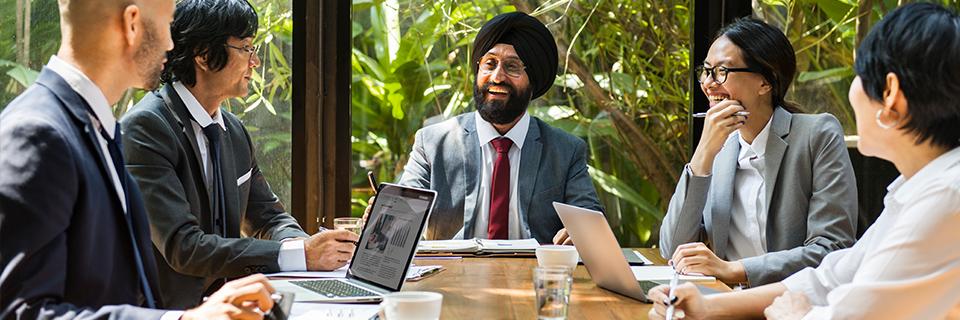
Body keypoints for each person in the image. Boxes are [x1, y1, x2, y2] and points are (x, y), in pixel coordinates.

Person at [649, 3, 960, 319]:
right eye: (706, 71)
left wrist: (791, 312)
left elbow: (848, 303)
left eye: (859, 75)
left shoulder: (945, 197)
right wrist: (708, 305)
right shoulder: (913, 190)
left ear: (890, 92)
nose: (709, 83)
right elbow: (831, 277)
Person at [0, 0, 276, 319]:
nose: (172, 44)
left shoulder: (98, 128)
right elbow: (19, 313)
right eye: (165, 24)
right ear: (132, 23)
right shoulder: (37, 134)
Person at [119, 0, 358, 309]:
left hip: (235, 306)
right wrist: (301, 255)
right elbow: (184, 247)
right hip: (169, 312)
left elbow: (268, 216)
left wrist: (302, 247)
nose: (255, 61)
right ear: (204, 55)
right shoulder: (144, 129)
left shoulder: (233, 130)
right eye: (246, 48)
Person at [658, 18, 858, 286]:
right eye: (706, 71)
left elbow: (831, 249)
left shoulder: (817, 135)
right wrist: (702, 156)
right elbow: (672, 249)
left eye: (721, 71)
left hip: (793, 303)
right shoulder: (720, 147)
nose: (708, 83)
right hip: (727, 302)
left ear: (765, 82)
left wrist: (735, 270)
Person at [381, 12, 602, 244]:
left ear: (532, 79)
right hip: (451, 276)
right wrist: (387, 217)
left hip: (535, 275)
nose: (497, 77)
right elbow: (400, 217)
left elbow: (591, 221)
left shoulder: (565, 150)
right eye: (490, 64)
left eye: (512, 66)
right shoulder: (433, 143)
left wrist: (582, 232)